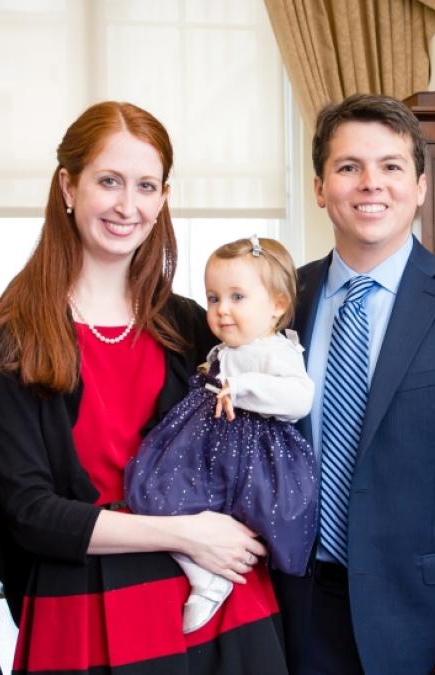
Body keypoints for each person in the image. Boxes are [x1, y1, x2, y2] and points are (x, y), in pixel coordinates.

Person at [0, 101, 288, 674]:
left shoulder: (194, 326)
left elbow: (258, 444)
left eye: (146, 186)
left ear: (163, 197)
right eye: (109, 181)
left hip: (219, 599)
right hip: (86, 605)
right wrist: (186, 534)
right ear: (68, 187)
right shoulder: (11, 340)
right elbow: (28, 513)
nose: (128, 206)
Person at [274, 93, 435, 675]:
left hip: (428, 625)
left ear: (419, 186)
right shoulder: (283, 300)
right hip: (293, 614)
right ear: (320, 188)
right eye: (349, 167)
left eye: (391, 166)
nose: (371, 184)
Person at [125, 235, 317, 633]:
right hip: (209, 444)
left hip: (253, 453)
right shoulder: (221, 350)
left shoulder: (275, 350)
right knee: (159, 495)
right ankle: (203, 572)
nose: (221, 310)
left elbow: (299, 398)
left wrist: (242, 388)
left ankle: (211, 580)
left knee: (235, 515)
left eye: (237, 297)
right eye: (213, 299)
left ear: (277, 305)